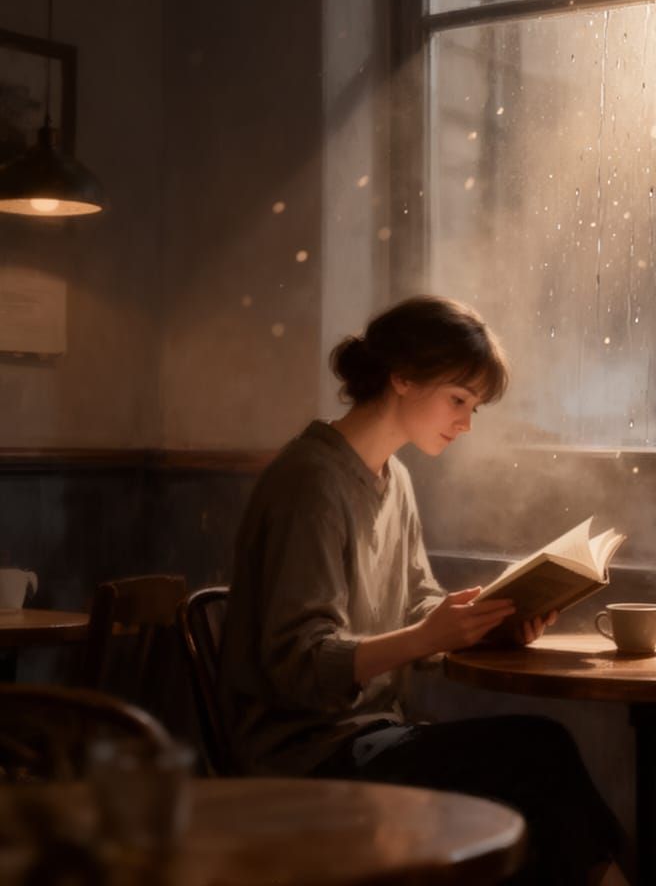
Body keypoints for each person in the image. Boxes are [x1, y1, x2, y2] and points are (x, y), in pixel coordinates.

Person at [218, 295, 630, 886]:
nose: (465, 422)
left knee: (534, 778)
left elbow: (416, 605)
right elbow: (296, 664)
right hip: (301, 754)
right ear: (402, 377)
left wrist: (488, 626)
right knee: (537, 754)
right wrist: (425, 635)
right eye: (458, 399)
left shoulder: (396, 477)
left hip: (372, 734)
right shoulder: (310, 482)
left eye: (475, 408)